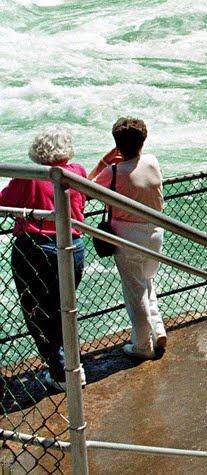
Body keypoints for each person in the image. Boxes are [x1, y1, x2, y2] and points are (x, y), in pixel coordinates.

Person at [0, 125, 87, 392]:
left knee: (39, 313)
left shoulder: (29, 177)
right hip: (75, 245)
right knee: (65, 309)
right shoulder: (77, 172)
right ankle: (73, 366)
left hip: (36, 248)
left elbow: (3, 201)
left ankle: (62, 372)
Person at [88, 118, 167, 361]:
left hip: (127, 235)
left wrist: (105, 160)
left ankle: (142, 345)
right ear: (143, 140)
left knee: (135, 293)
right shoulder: (151, 161)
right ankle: (158, 328)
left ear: (117, 144)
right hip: (155, 231)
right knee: (147, 282)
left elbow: (84, 187)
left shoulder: (112, 172)